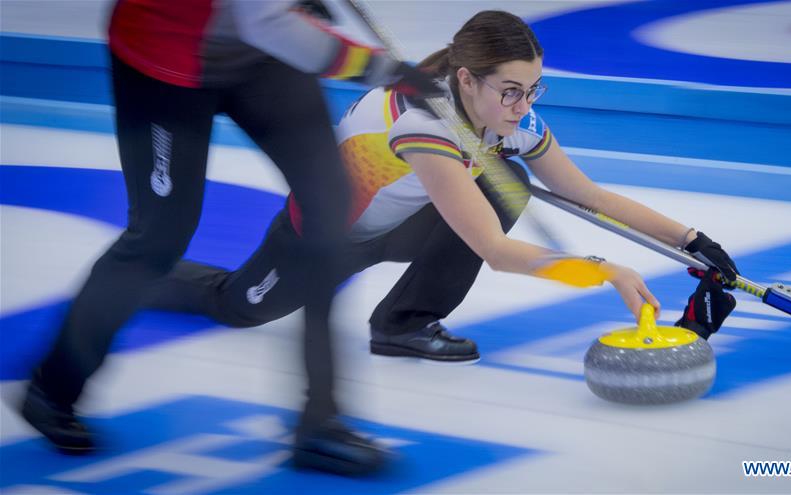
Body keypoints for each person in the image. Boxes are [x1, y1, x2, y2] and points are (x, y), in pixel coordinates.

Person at [142, 10, 740, 366]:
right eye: (510, 90)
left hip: (404, 222)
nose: (524, 106)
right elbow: (498, 254)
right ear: (465, 79)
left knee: (510, 180)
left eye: (533, 89)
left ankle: (403, 323)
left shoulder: (507, 117)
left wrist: (694, 240)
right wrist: (602, 270)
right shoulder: (421, 125)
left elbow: (588, 195)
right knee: (238, 308)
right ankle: (137, 276)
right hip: (318, 237)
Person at [19, 0, 441, 476]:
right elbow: (267, 22)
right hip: (169, 57)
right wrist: (380, 68)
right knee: (159, 237)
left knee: (331, 210)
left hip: (257, 54)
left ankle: (320, 423)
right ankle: (52, 387)